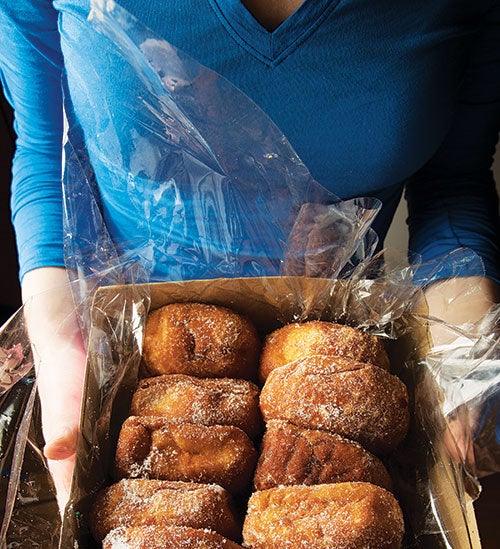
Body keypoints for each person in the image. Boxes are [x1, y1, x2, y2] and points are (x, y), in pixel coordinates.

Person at [0, 0, 499, 509]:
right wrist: (63, 353)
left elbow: (453, 183)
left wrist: (468, 363)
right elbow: (44, 148)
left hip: (336, 346)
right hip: (123, 348)